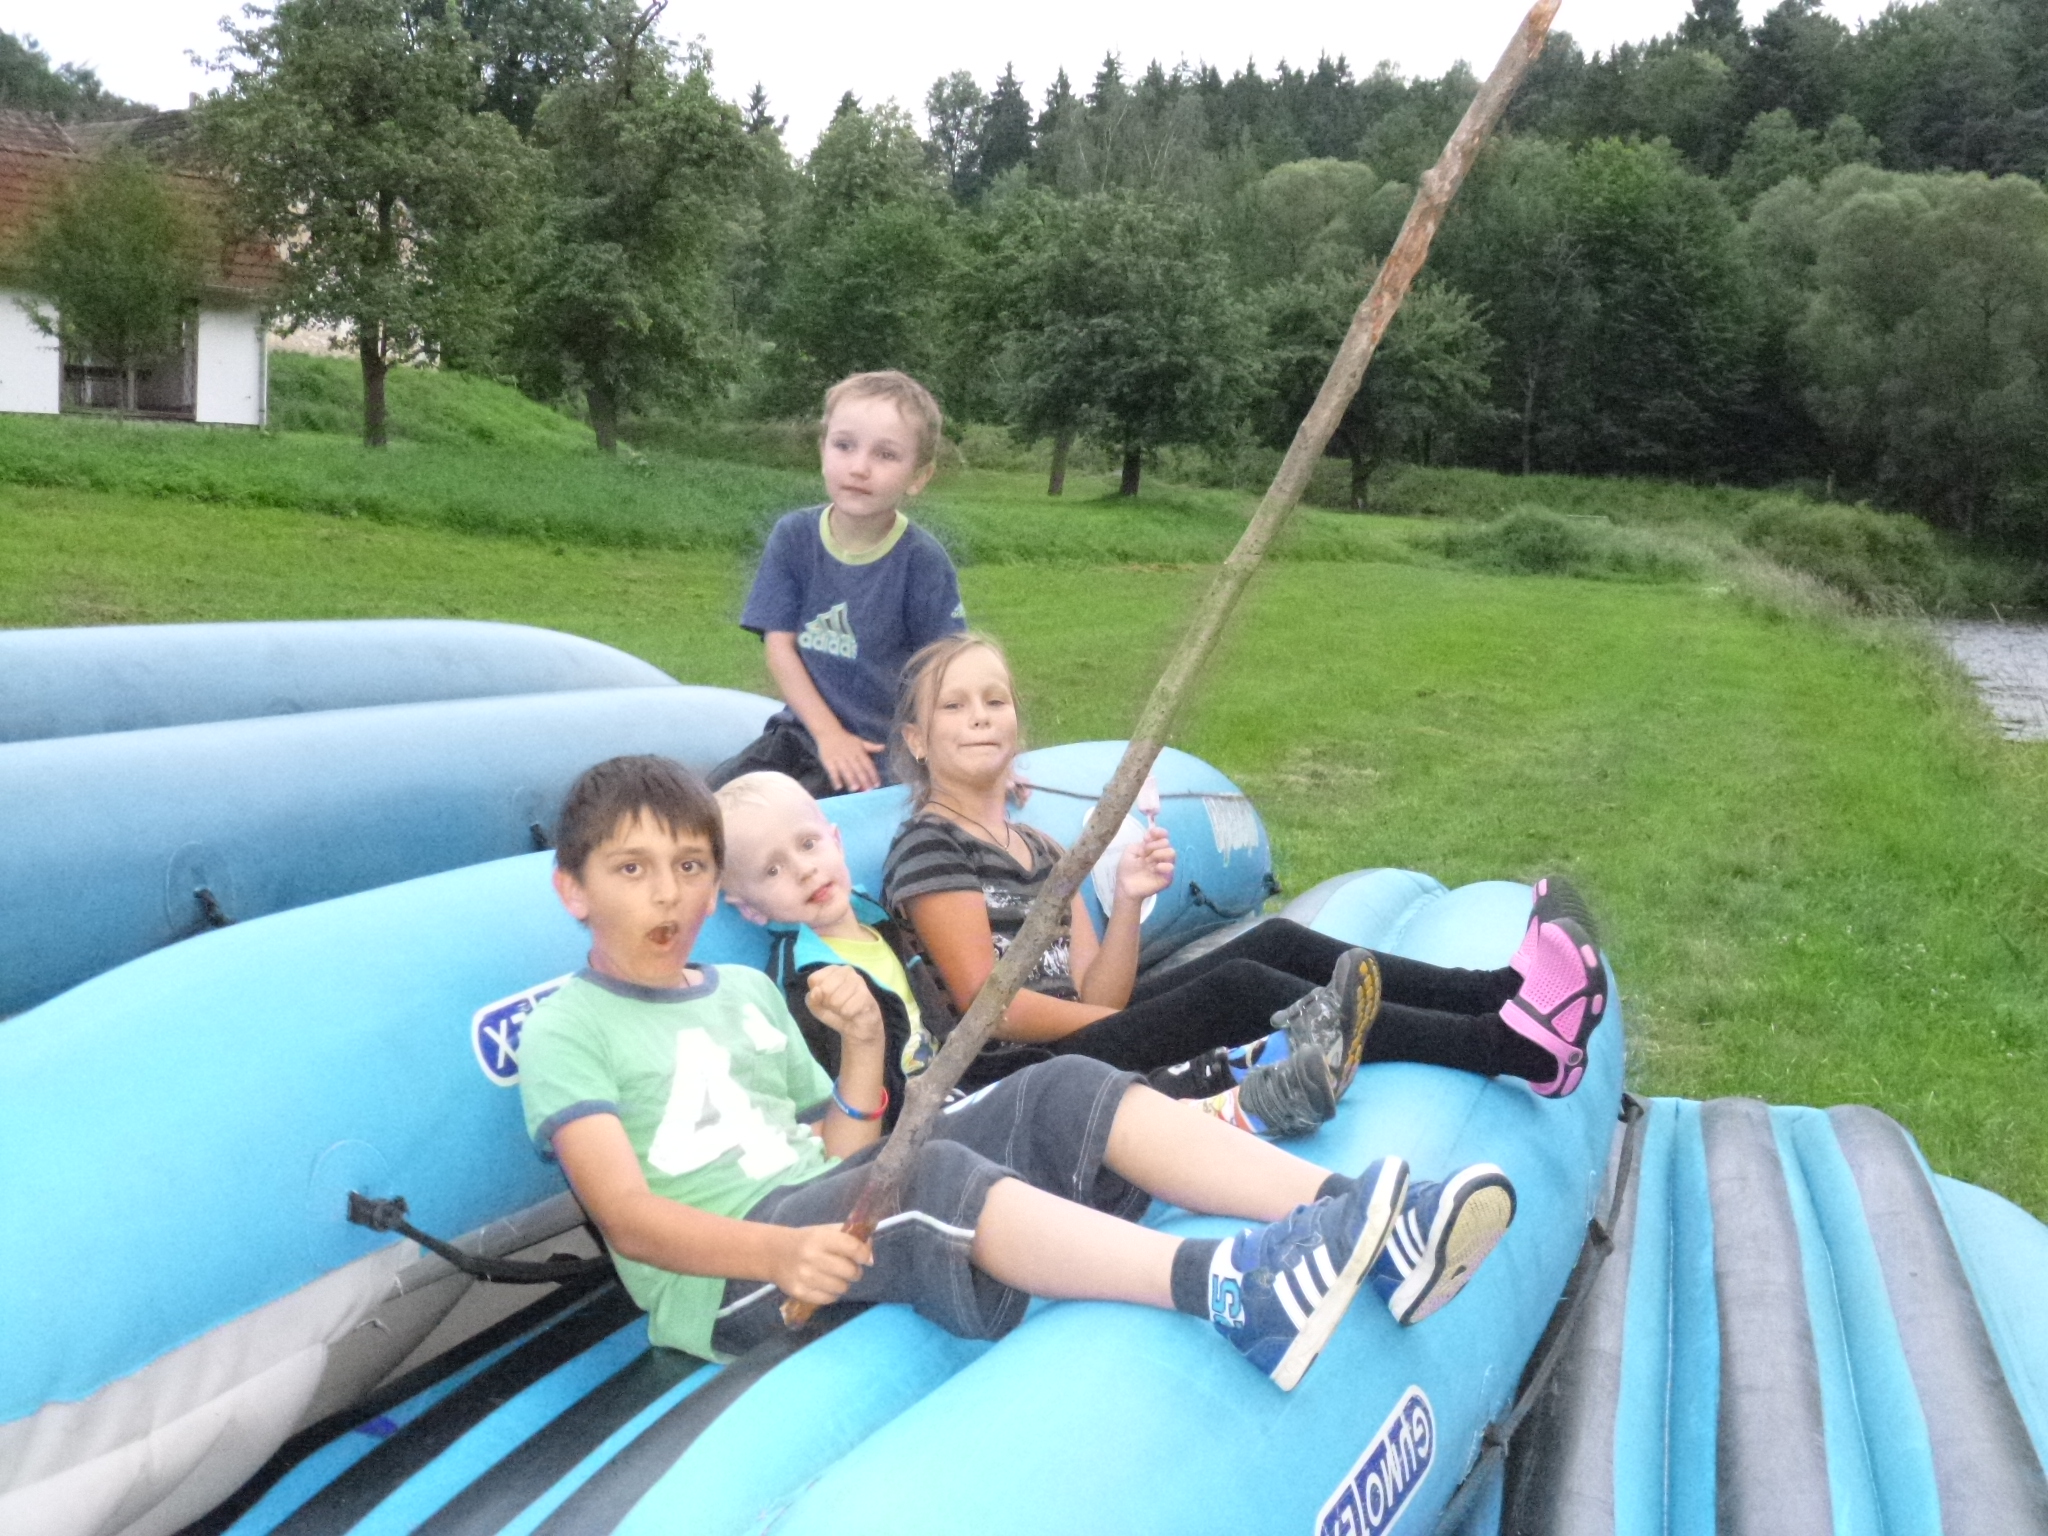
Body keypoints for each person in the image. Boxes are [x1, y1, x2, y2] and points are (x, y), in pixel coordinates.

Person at [516, 755, 1520, 1394]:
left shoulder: (738, 990)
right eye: (633, 870)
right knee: (924, 1177)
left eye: (689, 867)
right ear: (572, 889)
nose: (670, 894)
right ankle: (1229, 1288)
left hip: (814, 1204)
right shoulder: (567, 1030)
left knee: (1062, 1085)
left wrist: (861, 1054)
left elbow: (836, 1148)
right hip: (722, 1280)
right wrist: (778, 1252)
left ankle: (1370, 1219)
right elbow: (629, 1221)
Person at [881, 633, 1613, 1137]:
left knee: (1277, 940)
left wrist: (1128, 902)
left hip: (1083, 1035)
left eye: (995, 700)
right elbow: (990, 1009)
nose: (980, 718)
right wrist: (1123, 1022)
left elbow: (1101, 992)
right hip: (1015, 1075)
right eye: (954, 706)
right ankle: (1507, 1047)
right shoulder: (930, 848)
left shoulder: (1044, 850)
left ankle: (1497, 989)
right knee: (1237, 989)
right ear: (916, 739)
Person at [709, 371, 967, 799]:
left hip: (879, 755)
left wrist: (971, 756)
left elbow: (951, 670)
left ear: (919, 476)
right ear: (822, 451)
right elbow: (780, 646)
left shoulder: (922, 561)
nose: (859, 467)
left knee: (811, 823)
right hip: (800, 734)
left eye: (886, 454)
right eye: (844, 446)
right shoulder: (794, 536)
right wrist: (828, 734)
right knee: (710, 805)